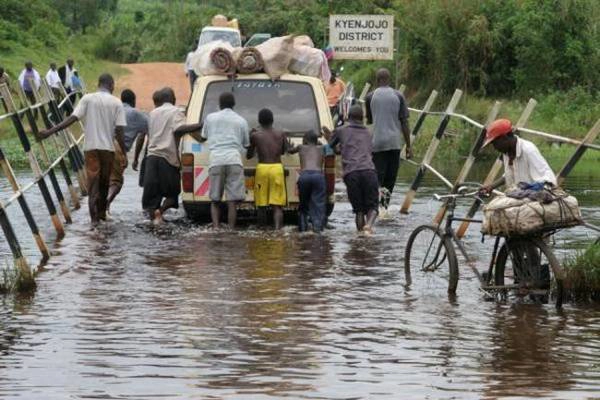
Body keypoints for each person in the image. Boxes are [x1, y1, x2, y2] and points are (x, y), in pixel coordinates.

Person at [38, 73, 127, 225]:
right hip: (108, 150)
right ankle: (102, 217)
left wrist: (50, 131)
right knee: (104, 184)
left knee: (93, 186)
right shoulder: (117, 103)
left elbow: (72, 119)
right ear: (111, 85)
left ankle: (94, 223)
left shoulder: (87, 98)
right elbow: (119, 131)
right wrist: (124, 153)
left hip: (91, 149)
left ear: (98, 84)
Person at [142, 88, 203, 224]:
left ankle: (155, 220)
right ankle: (161, 212)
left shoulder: (152, 113)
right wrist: (200, 125)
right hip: (167, 159)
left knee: (152, 198)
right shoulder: (176, 112)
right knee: (172, 195)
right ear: (173, 99)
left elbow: (147, 135)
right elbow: (179, 129)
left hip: (151, 158)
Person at [324, 105, 379, 234]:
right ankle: (369, 225)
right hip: (369, 171)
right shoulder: (370, 132)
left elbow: (329, 148)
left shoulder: (341, 130)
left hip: (351, 173)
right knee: (373, 207)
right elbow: (370, 151)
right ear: (363, 118)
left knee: (358, 210)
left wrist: (332, 140)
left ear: (348, 117)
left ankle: (359, 239)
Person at [200, 92, 249, 229]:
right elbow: (246, 144)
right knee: (232, 201)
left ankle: (216, 228)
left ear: (219, 104)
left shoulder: (210, 118)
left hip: (216, 160)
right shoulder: (241, 120)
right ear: (234, 104)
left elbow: (203, 136)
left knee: (215, 200)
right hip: (234, 160)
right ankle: (231, 229)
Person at [365, 68, 412, 210]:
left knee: (377, 178)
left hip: (377, 144)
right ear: (389, 80)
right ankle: (385, 208)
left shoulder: (370, 97)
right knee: (390, 179)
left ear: (377, 81)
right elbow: (404, 122)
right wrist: (409, 146)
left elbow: (370, 120)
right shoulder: (398, 96)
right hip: (394, 144)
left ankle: (374, 210)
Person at [480, 119, 557, 194]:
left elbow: (548, 179)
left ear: (504, 138)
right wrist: (491, 186)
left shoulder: (528, 150)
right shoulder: (507, 152)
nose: (495, 147)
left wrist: (530, 189)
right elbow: (509, 174)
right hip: (518, 195)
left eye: (495, 143)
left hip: (533, 197)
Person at [246, 108, 287, 230]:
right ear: (272, 120)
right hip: (277, 168)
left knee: (261, 204)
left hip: (262, 168)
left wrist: (250, 137)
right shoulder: (281, 134)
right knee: (277, 205)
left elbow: (249, 155)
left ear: (259, 121)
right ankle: (278, 230)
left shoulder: (255, 135)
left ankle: (261, 231)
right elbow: (284, 151)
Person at [288, 130, 326, 233]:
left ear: (304, 140)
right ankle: (317, 229)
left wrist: (288, 146)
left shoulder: (300, 147)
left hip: (304, 177)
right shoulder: (322, 148)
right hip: (318, 177)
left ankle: (303, 231)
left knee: (303, 207)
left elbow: (290, 151)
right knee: (318, 206)